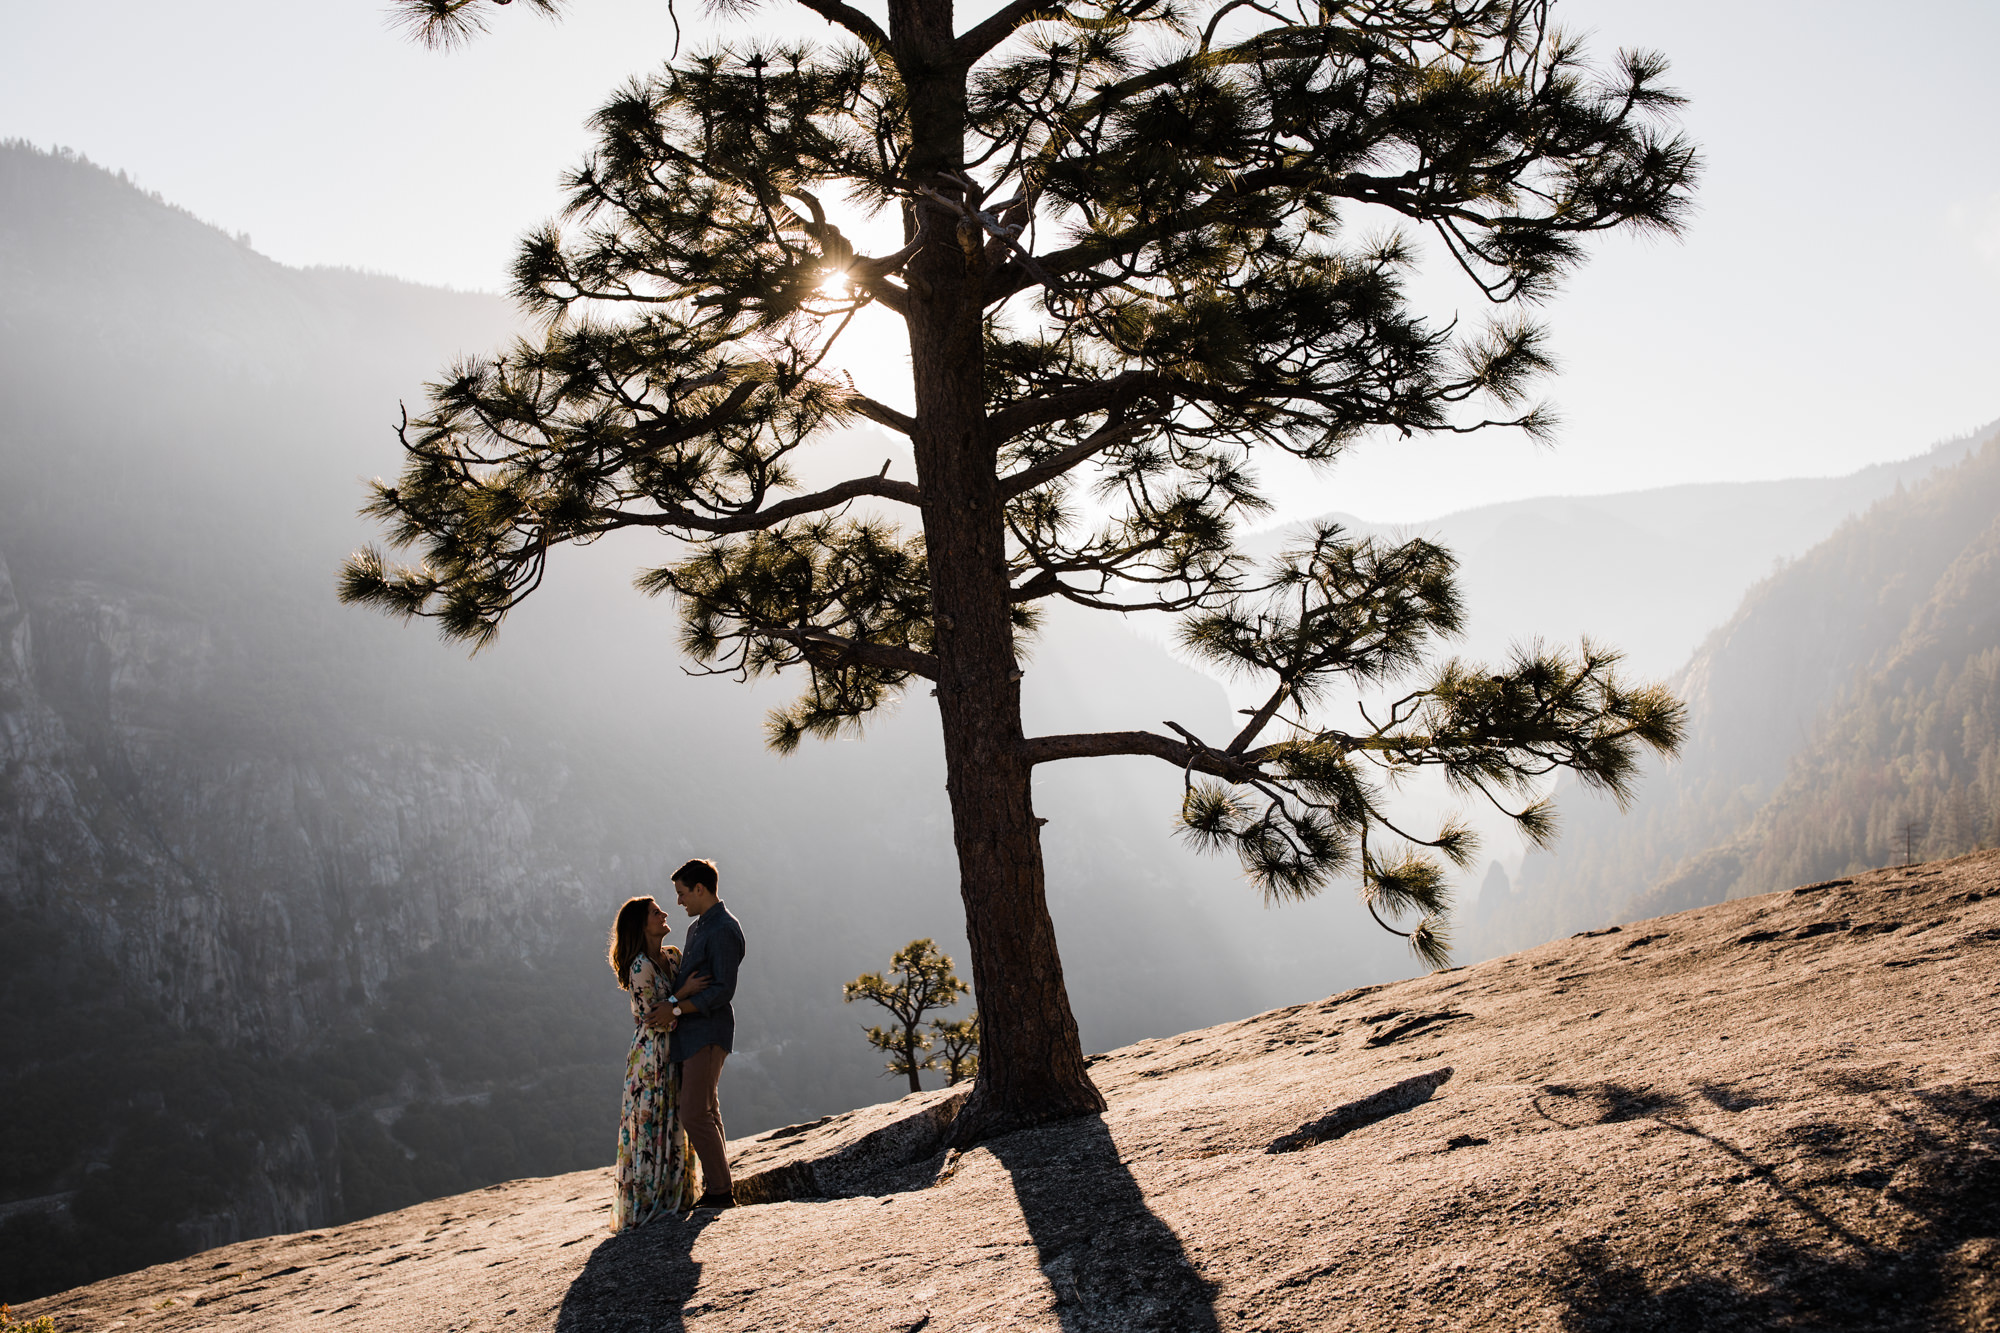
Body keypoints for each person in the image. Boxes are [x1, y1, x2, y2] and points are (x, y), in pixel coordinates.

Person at [647, 858, 745, 1212]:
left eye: (682, 893)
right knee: (707, 1110)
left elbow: (721, 990)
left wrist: (675, 1008)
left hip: (708, 1031)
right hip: (693, 1033)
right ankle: (721, 1187)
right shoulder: (699, 927)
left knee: (693, 1114)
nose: (678, 902)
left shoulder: (723, 929)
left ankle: (720, 1192)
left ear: (700, 889)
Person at [606, 895, 709, 1230]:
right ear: (642, 924)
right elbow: (655, 1018)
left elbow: (677, 1006)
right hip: (650, 1058)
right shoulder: (640, 967)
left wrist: (679, 1001)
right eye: (655, 912)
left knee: (675, 1122)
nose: (664, 913)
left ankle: (675, 1196)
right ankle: (651, 1205)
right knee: (652, 1127)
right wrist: (682, 996)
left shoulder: (672, 956)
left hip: (675, 1051)